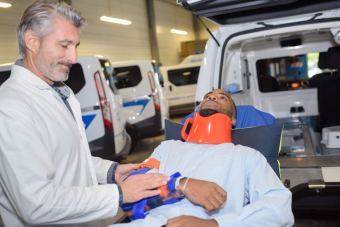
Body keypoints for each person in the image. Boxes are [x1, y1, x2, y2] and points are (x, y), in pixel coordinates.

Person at [0, 1, 169, 226]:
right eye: (64, 45)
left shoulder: (58, 92)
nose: (73, 58)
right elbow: (36, 203)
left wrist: (110, 172)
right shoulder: (11, 106)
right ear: (32, 41)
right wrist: (119, 194)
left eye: (75, 46)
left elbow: (67, 158)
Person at [113, 89, 294, 227]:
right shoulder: (167, 148)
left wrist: (214, 224)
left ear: (232, 120)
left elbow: (279, 207)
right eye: (208, 96)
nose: (212, 98)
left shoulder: (247, 156)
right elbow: (129, 198)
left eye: (222, 97)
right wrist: (179, 185)